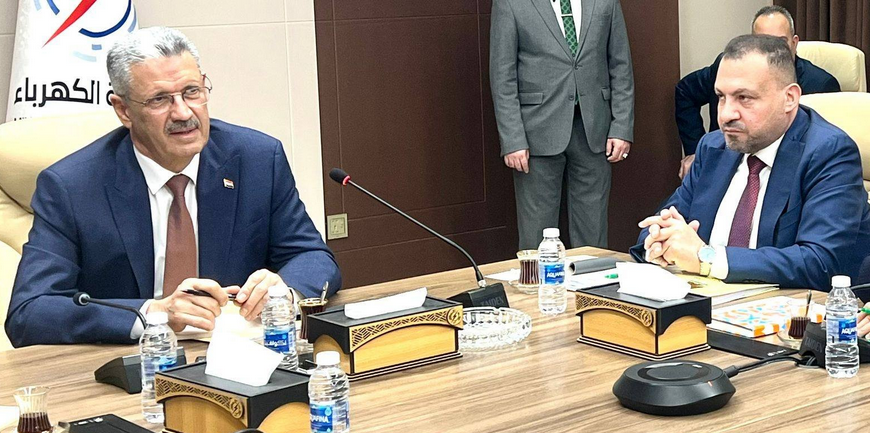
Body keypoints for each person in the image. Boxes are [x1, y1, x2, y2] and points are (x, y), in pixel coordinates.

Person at [5, 27, 341, 347]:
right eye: (159, 99)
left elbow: (311, 257)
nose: (183, 113)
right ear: (123, 110)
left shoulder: (257, 161)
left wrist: (284, 292)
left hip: (239, 356)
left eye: (192, 92)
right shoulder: (71, 187)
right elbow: (29, 311)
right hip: (132, 362)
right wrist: (155, 313)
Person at [631, 34, 870, 291]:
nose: (725, 115)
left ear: (790, 98)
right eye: (721, 97)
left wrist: (705, 258)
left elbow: (820, 262)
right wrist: (659, 241)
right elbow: (663, 222)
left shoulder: (828, 152)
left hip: (787, 307)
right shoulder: (713, 147)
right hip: (702, 299)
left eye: (744, 98)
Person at [490, 0, 634, 250]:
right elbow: (503, 77)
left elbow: (621, 66)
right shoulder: (510, 4)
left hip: (594, 132)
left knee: (593, 233)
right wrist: (512, 139)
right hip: (536, 135)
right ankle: (536, 278)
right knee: (536, 235)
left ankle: (590, 276)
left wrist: (621, 127)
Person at [675, 5, 840, 179]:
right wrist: (696, 151)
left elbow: (823, 147)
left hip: (785, 173)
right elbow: (685, 91)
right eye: (762, 42)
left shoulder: (819, 84)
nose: (770, 52)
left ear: (794, 43)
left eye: (780, 43)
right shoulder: (728, 69)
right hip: (724, 165)